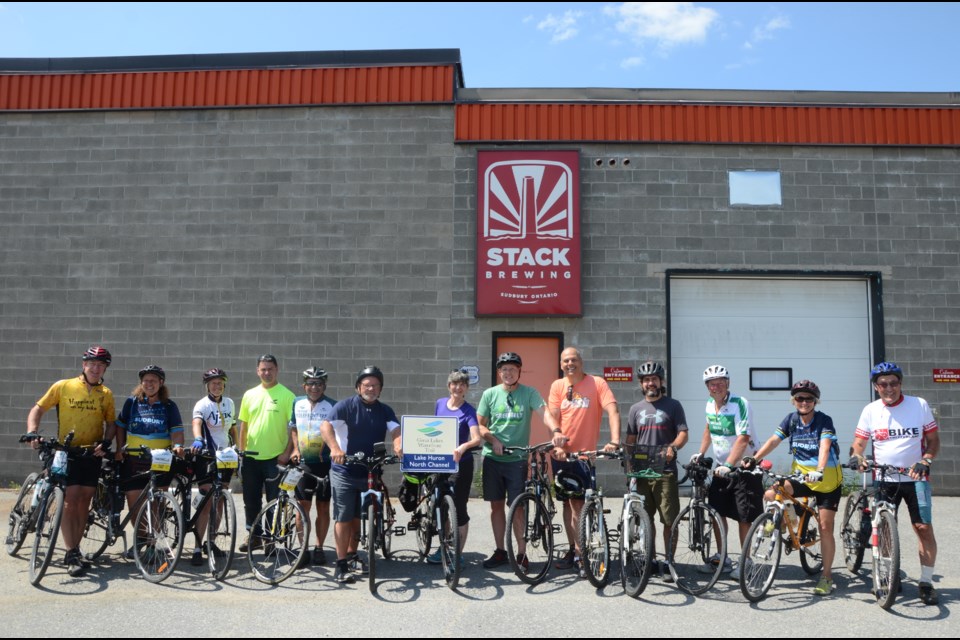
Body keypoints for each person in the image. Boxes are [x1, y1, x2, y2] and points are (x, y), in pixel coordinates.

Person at [851, 361, 941, 605]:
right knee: (886, 531)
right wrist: (858, 457)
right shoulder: (871, 410)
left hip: (916, 479)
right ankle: (889, 575)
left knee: (923, 528)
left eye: (893, 383)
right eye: (883, 384)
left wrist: (926, 459)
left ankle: (926, 582)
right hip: (884, 479)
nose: (888, 388)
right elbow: (859, 443)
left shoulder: (918, 405)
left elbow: (933, 440)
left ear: (900, 383)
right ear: (876, 387)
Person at [744, 379, 842, 596]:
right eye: (800, 398)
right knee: (772, 493)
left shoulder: (824, 420)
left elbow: (825, 446)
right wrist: (754, 458)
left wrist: (820, 468)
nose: (804, 402)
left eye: (808, 398)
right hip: (802, 477)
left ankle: (826, 576)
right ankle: (785, 520)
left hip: (826, 482)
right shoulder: (791, 420)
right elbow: (773, 440)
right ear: (794, 401)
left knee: (826, 528)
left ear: (815, 401)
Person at [25, 345, 116, 577]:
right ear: (84, 365)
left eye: (101, 365)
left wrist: (106, 442)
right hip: (66, 452)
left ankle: (74, 549)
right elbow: (38, 408)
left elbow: (111, 423)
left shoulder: (105, 394)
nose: (96, 368)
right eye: (92, 364)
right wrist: (33, 431)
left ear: (105, 368)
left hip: (90, 454)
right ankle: (71, 550)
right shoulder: (64, 386)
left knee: (84, 501)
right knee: (69, 500)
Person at [477, 352, 561, 570]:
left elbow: (545, 413)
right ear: (499, 372)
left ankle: (522, 553)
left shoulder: (529, 393)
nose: (508, 372)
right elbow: (480, 425)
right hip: (493, 459)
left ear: (519, 372)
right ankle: (501, 551)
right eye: (504, 369)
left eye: (512, 369)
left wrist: (556, 430)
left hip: (517, 459)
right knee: (496, 506)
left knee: (518, 507)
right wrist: (493, 440)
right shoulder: (490, 394)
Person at [321, 365, 402, 584]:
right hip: (345, 471)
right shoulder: (345, 406)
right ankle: (340, 564)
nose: (371, 388)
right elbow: (326, 426)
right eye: (367, 385)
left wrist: (398, 444)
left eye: (376, 385)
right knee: (344, 517)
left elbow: (395, 429)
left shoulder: (384, 409)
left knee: (359, 517)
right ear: (358, 387)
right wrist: (335, 449)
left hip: (370, 470)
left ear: (381, 389)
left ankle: (352, 554)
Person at [547, 347, 621, 575]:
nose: (570, 363)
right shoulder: (558, 386)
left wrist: (615, 441)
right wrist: (557, 443)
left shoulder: (597, 383)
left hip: (584, 457)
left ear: (581, 362)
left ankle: (581, 553)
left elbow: (612, 410)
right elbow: (553, 416)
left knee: (579, 505)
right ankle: (574, 548)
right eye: (566, 360)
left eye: (574, 360)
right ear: (561, 364)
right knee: (567, 504)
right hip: (562, 455)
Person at [692, 364, 761, 580]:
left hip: (744, 469)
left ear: (728, 383)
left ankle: (746, 561)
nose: (716, 386)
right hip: (722, 469)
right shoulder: (709, 405)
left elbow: (743, 438)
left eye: (720, 382)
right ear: (707, 387)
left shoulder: (740, 403)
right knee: (716, 512)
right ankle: (722, 558)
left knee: (744, 516)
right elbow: (708, 429)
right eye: (712, 383)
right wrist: (701, 453)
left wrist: (730, 464)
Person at [624, 360, 687, 579]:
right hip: (642, 471)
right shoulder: (635, 409)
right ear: (641, 384)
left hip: (666, 471)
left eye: (654, 379)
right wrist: (630, 468)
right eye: (646, 380)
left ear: (661, 381)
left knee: (669, 519)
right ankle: (649, 559)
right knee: (644, 518)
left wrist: (673, 447)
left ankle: (669, 561)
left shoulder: (673, 405)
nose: (651, 383)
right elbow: (630, 440)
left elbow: (683, 434)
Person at [116, 364, 185, 557]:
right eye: (146, 380)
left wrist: (178, 445)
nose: (149, 384)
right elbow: (120, 425)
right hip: (134, 458)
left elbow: (177, 431)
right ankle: (142, 539)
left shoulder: (169, 406)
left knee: (156, 503)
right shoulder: (132, 403)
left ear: (161, 383)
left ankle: (153, 544)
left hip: (160, 460)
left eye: (153, 380)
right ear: (141, 383)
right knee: (134, 502)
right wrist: (119, 448)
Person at [236, 354, 296, 552]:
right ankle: (254, 536)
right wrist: (241, 451)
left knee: (274, 501)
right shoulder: (249, 394)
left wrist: (288, 453)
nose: (266, 372)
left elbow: (294, 429)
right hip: (251, 458)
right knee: (250, 500)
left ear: (277, 370)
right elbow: (243, 425)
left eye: (270, 369)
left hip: (275, 458)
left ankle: (271, 539)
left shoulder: (287, 396)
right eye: (263, 369)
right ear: (257, 371)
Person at [425, 369, 483, 566]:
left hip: (462, 465)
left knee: (458, 509)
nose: (458, 387)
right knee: (441, 505)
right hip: (441, 464)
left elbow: (476, 438)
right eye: (454, 384)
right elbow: (435, 430)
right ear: (449, 386)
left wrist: (463, 446)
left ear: (466, 388)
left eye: (462, 384)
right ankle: (443, 548)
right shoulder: (440, 404)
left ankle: (457, 553)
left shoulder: (468, 410)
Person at [188, 368, 238, 566]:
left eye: (220, 383)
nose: (217, 386)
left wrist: (238, 448)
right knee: (207, 502)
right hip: (206, 456)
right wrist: (198, 438)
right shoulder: (202, 404)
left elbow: (232, 427)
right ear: (207, 385)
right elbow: (196, 422)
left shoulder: (230, 403)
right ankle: (197, 546)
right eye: (213, 383)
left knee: (221, 501)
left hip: (225, 456)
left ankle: (211, 542)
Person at [289, 366, 336, 568]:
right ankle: (303, 550)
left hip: (324, 464)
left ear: (324, 385)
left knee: (323, 507)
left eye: (318, 383)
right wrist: (294, 449)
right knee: (302, 509)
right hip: (304, 465)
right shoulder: (296, 402)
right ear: (304, 385)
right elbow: (293, 427)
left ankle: (319, 548)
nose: (314, 387)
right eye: (310, 383)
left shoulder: (333, 405)